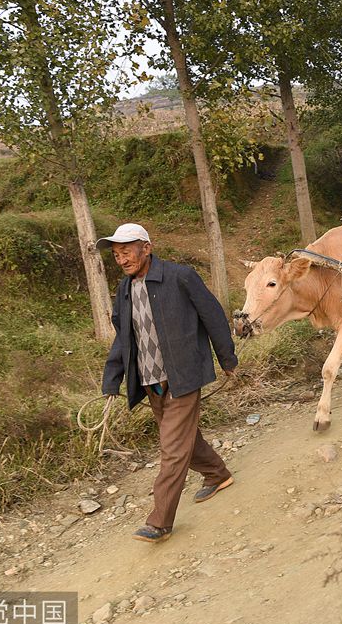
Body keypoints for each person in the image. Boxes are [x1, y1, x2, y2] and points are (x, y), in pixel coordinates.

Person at [97, 223, 237, 543]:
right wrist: (111, 382)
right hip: (151, 382)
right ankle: (217, 475)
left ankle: (160, 521)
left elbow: (213, 316)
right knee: (184, 439)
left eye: (127, 251)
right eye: (117, 254)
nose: (122, 259)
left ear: (146, 247)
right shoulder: (125, 291)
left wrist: (227, 359)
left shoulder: (180, 276)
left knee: (172, 448)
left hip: (183, 376)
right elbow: (123, 339)